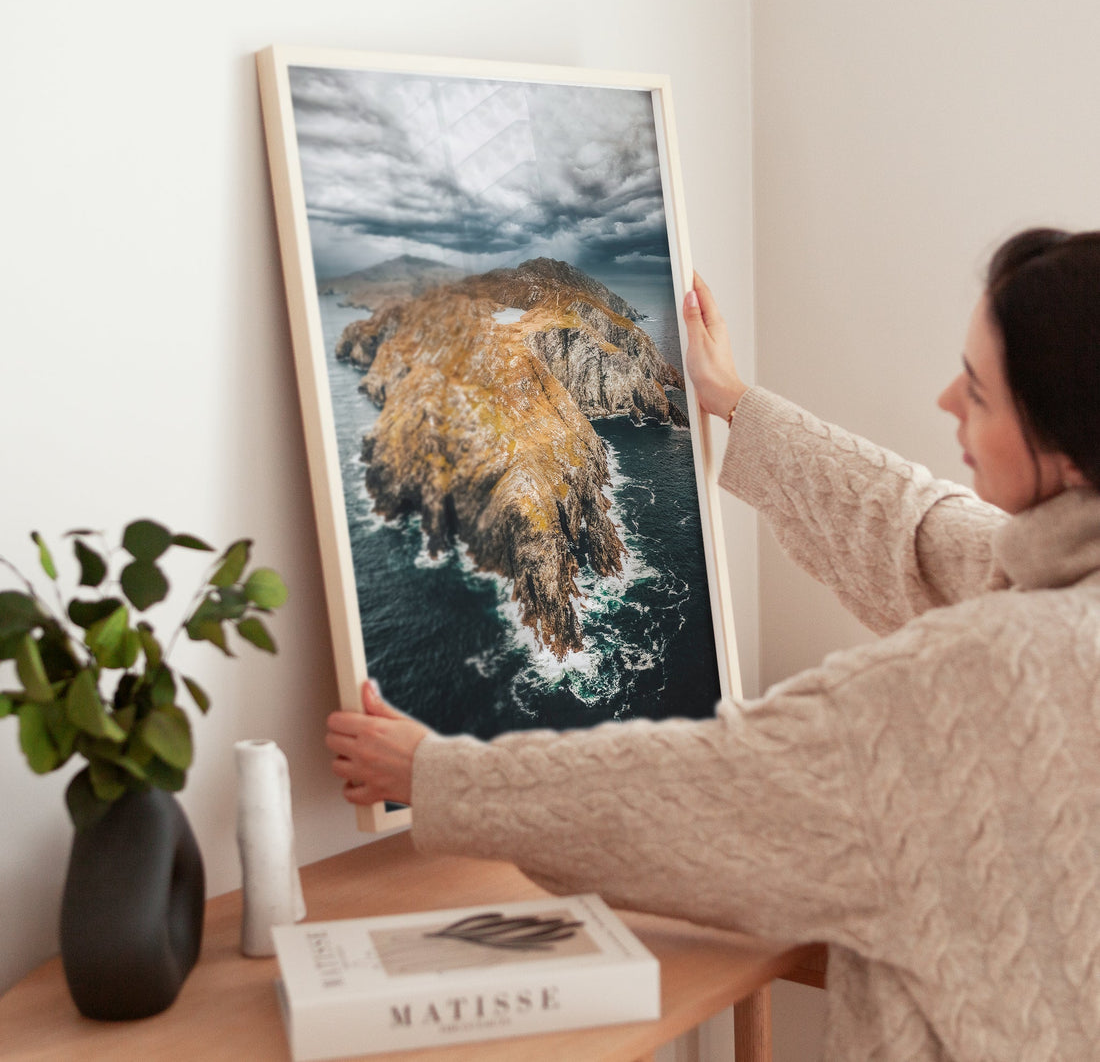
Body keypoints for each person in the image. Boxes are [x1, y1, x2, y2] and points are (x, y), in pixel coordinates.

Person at [325, 228, 1100, 1061]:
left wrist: (434, 775)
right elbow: (918, 530)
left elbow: (707, 790)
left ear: (1065, 448)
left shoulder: (981, 677)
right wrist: (733, 401)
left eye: (979, 393)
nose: (947, 400)